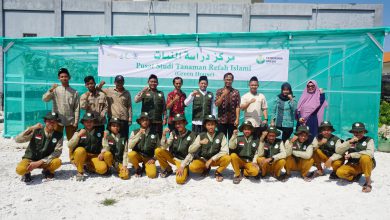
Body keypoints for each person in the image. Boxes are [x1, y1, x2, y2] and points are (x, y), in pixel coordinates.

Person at [15, 112, 63, 182]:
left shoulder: (59, 135)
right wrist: (30, 128)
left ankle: (47, 171)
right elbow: (18, 139)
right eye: (49, 121)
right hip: (30, 159)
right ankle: (27, 173)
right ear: (45, 121)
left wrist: (39, 162)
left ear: (57, 123)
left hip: (45, 160)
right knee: (20, 170)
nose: (52, 123)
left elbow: (57, 152)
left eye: (54, 122)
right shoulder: (36, 130)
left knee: (57, 162)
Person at [42, 68, 80, 158]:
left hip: (70, 121)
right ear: (59, 78)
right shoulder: (55, 90)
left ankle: (73, 158)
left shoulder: (74, 92)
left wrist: (76, 121)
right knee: (56, 140)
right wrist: (51, 90)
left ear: (69, 77)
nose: (64, 78)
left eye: (66, 76)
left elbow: (77, 108)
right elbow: (44, 99)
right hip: (57, 121)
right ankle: (54, 157)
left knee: (73, 141)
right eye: (62, 77)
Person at [68, 113, 112, 181]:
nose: (89, 123)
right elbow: (70, 145)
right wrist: (78, 135)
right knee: (80, 150)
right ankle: (80, 171)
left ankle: (88, 167)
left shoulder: (100, 132)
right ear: (83, 123)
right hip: (83, 155)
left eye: (91, 121)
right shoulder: (79, 132)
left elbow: (105, 145)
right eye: (86, 121)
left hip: (95, 156)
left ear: (94, 122)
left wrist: (102, 152)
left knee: (103, 169)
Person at [155, 114, 197, 184]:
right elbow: (165, 146)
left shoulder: (192, 135)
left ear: (184, 123)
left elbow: (191, 153)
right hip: (174, 158)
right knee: (158, 151)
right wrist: (164, 135)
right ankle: (168, 169)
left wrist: (182, 166)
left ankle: (186, 171)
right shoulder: (174, 133)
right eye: (176, 124)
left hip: (184, 160)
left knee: (180, 180)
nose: (178, 125)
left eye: (180, 123)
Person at [188, 115, 231, 182]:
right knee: (193, 167)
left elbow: (225, 151)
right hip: (203, 160)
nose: (211, 127)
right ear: (205, 125)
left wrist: (211, 159)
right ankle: (205, 169)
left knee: (228, 158)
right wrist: (199, 143)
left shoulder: (221, 135)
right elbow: (190, 149)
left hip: (215, 160)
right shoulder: (201, 135)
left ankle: (218, 172)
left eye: (212, 124)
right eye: (208, 125)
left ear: (216, 125)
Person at [335, 122, 375, 193]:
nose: (358, 133)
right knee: (340, 173)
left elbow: (370, 153)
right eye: (355, 132)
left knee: (365, 157)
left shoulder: (369, 140)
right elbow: (338, 151)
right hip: (353, 164)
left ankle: (368, 182)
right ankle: (355, 176)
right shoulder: (349, 140)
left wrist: (352, 155)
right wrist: (349, 142)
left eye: (360, 131)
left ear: (364, 132)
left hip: (367, 164)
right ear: (352, 132)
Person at [98, 75, 132, 139]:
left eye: (121, 82)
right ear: (115, 82)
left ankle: (123, 149)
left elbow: (129, 106)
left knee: (123, 138)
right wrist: (100, 85)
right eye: (118, 82)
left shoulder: (127, 93)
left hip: (124, 119)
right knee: (111, 138)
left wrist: (130, 119)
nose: (119, 83)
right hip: (113, 118)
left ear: (123, 82)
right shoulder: (109, 90)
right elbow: (98, 90)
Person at [125, 112, 159, 178]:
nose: (145, 122)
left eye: (147, 120)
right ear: (140, 121)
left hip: (149, 158)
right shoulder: (134, 132)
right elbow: (130, 146)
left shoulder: (155, 133)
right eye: (143, 120)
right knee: (131, 154)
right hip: (138, 156)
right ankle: (137, 168)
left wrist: (154, 159)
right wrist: (139, 134)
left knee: (152, 174)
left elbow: (158, 148)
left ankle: (145, 165)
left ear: (149, 121)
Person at [215, 72, 240, 140]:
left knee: (232, 140)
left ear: (232, 80)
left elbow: (237, 106)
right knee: (221, 140)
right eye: (227, 79)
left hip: (233, 121)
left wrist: (237, 119)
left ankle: (232, 151)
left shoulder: (236, 92)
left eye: (230, 79)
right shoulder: (219, 91)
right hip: (221, 120)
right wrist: (223, 95)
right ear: (224, 80)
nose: (228, 81)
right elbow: (217, 104)